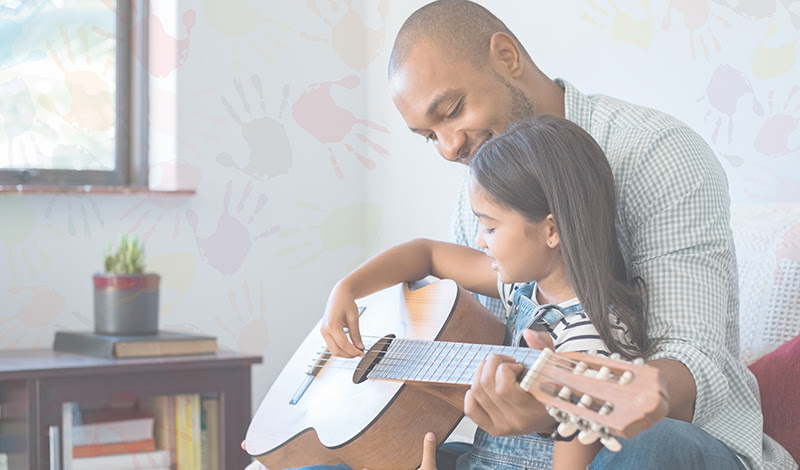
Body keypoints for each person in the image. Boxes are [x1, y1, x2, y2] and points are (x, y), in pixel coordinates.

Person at [319, 1, 797, 469]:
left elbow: (694, 363)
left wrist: (568, 403)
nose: (448, 149)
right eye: (428, 135)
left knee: (653, 445)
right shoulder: (482, 200)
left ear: (507, 57)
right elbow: (479, 353)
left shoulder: (657, 153)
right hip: (515, 453)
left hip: (659, 446)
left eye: (452, 110)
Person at [321, 116, 657, 470]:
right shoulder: (524, 288)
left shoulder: (585, 343)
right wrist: (347, 289)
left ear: (551, 230)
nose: (479, 240)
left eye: (490, 227)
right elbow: (427, 254)